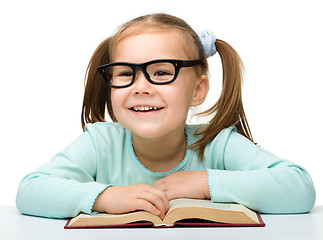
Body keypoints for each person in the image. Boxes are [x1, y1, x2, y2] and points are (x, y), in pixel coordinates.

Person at [16, 13, 315, 219]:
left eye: (161, 72)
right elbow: (30, 191)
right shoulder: (100, 144)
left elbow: (299, 188)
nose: (140, 87)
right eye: (125, 73)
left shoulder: (218, 144)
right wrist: (105, 198)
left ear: (198, 90)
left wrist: (203, 183)